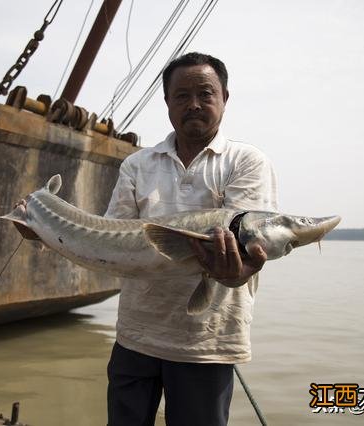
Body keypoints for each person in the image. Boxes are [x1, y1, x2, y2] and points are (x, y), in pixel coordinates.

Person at [104, 52, 278, 426]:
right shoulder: (137, 164)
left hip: (206, 344)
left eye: (205, 93)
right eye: (181, 95)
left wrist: (238, 271)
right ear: (166, 102)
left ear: (225, 98)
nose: (194, 104)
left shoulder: (246, 161)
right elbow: (112, 241)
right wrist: (44, 235)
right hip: (135, 336)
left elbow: (244, 245)